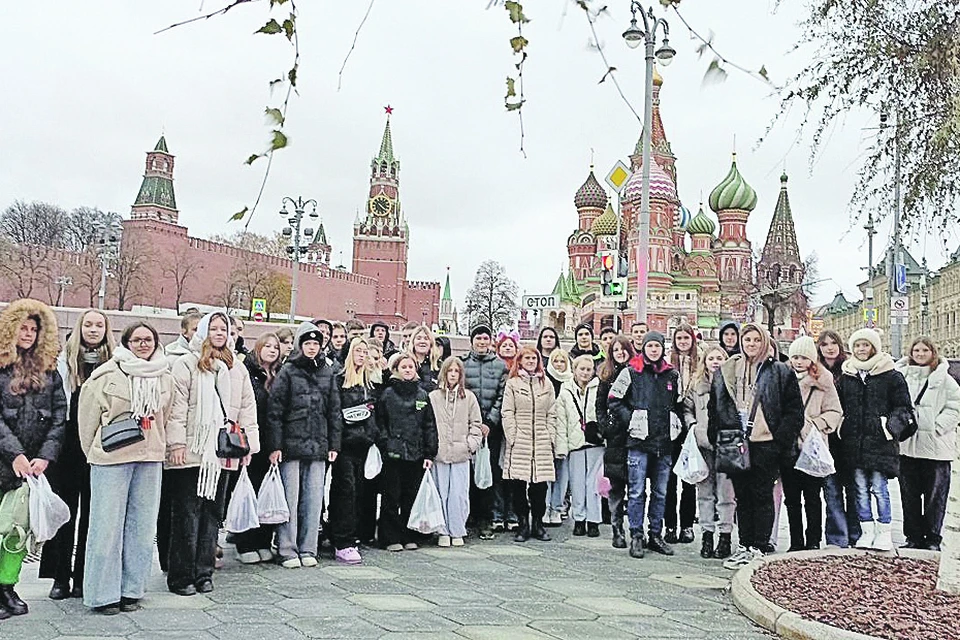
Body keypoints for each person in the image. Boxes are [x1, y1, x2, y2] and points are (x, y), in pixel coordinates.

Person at [78, 321, 173, 615]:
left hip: (149, 457)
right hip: (111, 458)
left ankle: (131, 589)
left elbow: (164, 415)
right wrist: (94, 451)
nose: (143, 344)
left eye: (148, 339)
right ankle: (102, 595)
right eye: (137, 339)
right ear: (126, 342)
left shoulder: (164, 375)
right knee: (106, 527)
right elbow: (87, 419)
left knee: (142, 528)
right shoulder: (107, 374)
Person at [165, 312, 259, 594]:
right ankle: (181, 576)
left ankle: (204, 572)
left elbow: (246, 407)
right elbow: (176, 409)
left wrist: (248, 445)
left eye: (224, 329)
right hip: (193, 450)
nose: (219, 334)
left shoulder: (236, 367)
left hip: (223, 450)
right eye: (213, 328)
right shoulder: (187, 364)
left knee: (212, 516)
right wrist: (176, 444)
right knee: (186, 515)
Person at [711, 324, 803, 570]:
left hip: (765, 443)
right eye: (747, 339)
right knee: (742, 496)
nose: (751, 344)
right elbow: (715, 405)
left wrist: (779, 440)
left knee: (762, 495)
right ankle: (744, 544)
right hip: (735, 441)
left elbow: (794, 411)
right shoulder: (728, 369)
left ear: (764, 342)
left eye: (756, 340)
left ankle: (760, 546)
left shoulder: (780, 371)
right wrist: (716, 436)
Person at [0, 299, 67, 619]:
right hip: (5, 460)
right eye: (22, 328)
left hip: (32, 468)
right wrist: (14, 454)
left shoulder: (50, 372)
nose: (27, 334)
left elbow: (59, 417)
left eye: (33, 329)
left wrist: (44, 457)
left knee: (18, 532)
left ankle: (7, 586)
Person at [42, 309, 114, 600]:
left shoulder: (114, 363)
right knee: (65, 513)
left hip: (99, 445)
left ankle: (84, 576)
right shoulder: (63, 363)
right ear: (80, 328)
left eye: (99, 325)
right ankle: (60, 577)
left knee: (94, 517)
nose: (93, 330)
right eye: (88, 324)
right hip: (67, 446)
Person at [265, 323, 341, 568]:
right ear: (300, 345)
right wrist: (275, 446)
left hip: (318, 444)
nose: (311, 348)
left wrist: (334, 444)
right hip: (291, 444)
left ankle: (309, 547)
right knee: (291, 497)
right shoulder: (288, 371)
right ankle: (287, 548)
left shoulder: (326, 372)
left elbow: (334, 411)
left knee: (313, 498)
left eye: (316, 344)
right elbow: (275, 411)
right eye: (307, 343)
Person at [836, 328, 913, 551]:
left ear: (874, 347)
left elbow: (903, 407)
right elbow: (839, 405)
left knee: (880, 488)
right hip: (854, 442)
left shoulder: (891, 374)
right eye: (857, 345)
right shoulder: (848, 375)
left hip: (880, 442)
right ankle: (866, 530)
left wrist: (888, 427)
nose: (861, 349)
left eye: (865, 345)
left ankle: (884, 531)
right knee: (859, 488)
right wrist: (842, 425)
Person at [608, 331, 681, 559]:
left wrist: (675, 425)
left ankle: (655, 534)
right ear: (644, 348)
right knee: (637, 491)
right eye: (649, 346)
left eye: (657, 346)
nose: (653, 350)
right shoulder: (631, 372)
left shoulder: (672, 375)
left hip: (664, 443)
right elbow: (614, 399)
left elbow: (677, 403)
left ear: (662, 349)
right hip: (639, 441)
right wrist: (632, 419)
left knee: (660, 492)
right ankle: (637, 534)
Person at [895, 336, 960, 551]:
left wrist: (938, 427)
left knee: (935, 497)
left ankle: (932, 538)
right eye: (916, 350)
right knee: (909, 495)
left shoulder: (945, 379)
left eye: (925, 350)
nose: (920, 354)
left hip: (936, 448)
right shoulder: (901, 376)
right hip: (908, 445)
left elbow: (955, 407)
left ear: (933, 353)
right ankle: (913, 536)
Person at [782, 336, 842, 551]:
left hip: (812, 447)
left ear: (812, 360)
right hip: (788, 446)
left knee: (813, 497)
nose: (798, 362)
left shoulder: (823, 381)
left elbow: (835, 411)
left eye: (803, 358)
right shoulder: (783, 377)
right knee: (791, 499)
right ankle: (795, 541)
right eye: (795, 357)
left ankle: (813, 540)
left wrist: (815, 424)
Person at [376, 354, 438, 551]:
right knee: (391, 497)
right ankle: (390, 537)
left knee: (411, 496)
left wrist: (429, 453)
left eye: (411, 366)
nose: (408, 370)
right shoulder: (387, 394)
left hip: (416, 453)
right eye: (404, 367)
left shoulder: (422, 395)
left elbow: (429, 425)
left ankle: (410, 534)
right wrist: (386, 444)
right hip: (393, 453)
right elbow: (381, 422)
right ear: (396, 369)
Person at [329, 338, 379, 564]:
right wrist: (336, 444)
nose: (362, 355)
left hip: (363, 445)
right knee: (344, 491)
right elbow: (334, 413)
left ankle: (351, 535)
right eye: (357, 351)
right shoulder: (338, 380)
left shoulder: (368, 384)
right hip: (344, 445)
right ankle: (342, 540)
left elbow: (372, 414)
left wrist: (371, 436)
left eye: (365, 351)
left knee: (359, 491)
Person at [234, 333, 283, 564]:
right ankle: (246, 543)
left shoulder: (280, 375)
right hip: (252, 441)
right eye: (268, 346)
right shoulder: (247, 371)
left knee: (268, 493)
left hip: (272, 442)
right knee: (249, 492)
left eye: (276, 347)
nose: (272, 350)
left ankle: (264, 540)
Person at [683, 345, 734, 559]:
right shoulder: (696, 385)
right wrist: (693, 426)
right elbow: (686, 409)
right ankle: (706, 534)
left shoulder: (733, 384)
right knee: (704, 492)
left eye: (719, 358)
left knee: (726, 493)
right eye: (711, 358)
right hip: (703, 443)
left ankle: (725, 535)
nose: (715, 362)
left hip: (726, 443)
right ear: (704, 362)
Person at [502, 347, 557, 543]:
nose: (531, 361)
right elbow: (507, 412)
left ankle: (538, 524)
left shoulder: (546, 384)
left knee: (540, 487)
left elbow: (552, 412)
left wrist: (550, 434)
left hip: (541, 440)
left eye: (534, 358)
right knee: (518, 485)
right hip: (521, 440)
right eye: (528, 358)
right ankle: (523, 523)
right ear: (520, 361)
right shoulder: (513, 384)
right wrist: (513, 436)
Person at [429, 356, 482, 547]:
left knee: (459, 493)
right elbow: (429, 424)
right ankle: (442, 530)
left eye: (456, 371)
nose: (452, 375)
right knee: (441, 491)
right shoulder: (434, 397)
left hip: (461, 452)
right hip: (440, 453)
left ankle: (458, 529)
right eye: (449, 371)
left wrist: (470, 444)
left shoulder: (468, 397)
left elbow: (476, 424)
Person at [461, 325, 507, 540]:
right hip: (466, 428)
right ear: (472, 341)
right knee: (467, 475)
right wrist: (471, 423)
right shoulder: (462, 364)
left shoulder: (499, 366)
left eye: (485, 338)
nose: (481, 342)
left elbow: (502, 395)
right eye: (478, 338)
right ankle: (468, 516)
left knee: (488, 475)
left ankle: (486, 519)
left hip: (490, 430)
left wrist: (489, 422)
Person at [817, 329, 859, 548]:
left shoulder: (851, 371)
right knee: (831, 492)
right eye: (824, 344)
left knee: (854, 491)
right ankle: (836, 538)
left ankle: (855, 535)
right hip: (826, 441)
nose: (830, 348)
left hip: (849, 440)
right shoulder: (815, 371)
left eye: (833, 343)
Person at [555, 354, 603, 537]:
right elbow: (561, 420)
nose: (585, 372)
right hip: (574, 443)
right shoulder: (565, 391)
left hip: (595, 443)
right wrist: (561, 447)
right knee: (576, 484)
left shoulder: (599, 388)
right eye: (581, 369)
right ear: (574, 370)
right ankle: (579, 518)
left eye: (588, 369)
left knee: (593, 484)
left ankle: (593, 520)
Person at [596, 336, 636, 549]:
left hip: (635, 434)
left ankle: (637, 530)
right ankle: (617, 528)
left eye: (623, 349)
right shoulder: (607, 375)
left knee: (636, 486)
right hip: (615, 437)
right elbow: (600, 405)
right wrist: (605, 427)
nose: (620, 353)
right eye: (616, 350)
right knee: (616, 486)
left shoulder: (638, 372)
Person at [665, 323, 699, 545]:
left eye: (687, 338)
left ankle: (687, 525)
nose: (683, 342)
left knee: (689, 479)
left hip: (693, 427)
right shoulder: (668, 366)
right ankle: (670, 525)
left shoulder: (700, 365)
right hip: (671, 428)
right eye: (680, 338)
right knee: (668, 481)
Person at [544, 349, 573, 525]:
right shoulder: (544, 381)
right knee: (547, 472)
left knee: (562, 473)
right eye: (556, 361)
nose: (559, 365)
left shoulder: (571, 382)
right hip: (547, 431)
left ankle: (558, 507)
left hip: (566, 432)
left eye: (562, 361)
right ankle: (545, 506)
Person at [409, 325, 442, 392]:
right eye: (418, 338)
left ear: (431, 343)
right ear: (413, 342)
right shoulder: (405, 362)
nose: (422, 341)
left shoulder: (439, 365)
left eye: (426, 338)